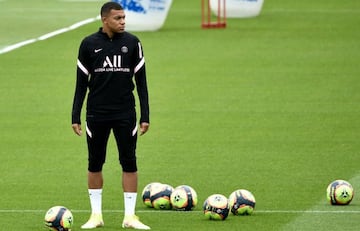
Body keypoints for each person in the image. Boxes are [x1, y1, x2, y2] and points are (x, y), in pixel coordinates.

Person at [71, 1, 150, 230]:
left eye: (124, 18)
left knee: (129, 162)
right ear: (105, 20)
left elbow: (142, 83)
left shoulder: (133, 43)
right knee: (95, 163)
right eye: (118, 18)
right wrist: (75, 115)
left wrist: (145, 115)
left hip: (125, 112)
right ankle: (96, 215)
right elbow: (80, 84)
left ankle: (130, 216)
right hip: (96, 114)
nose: (123, 21)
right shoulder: (88, 44)